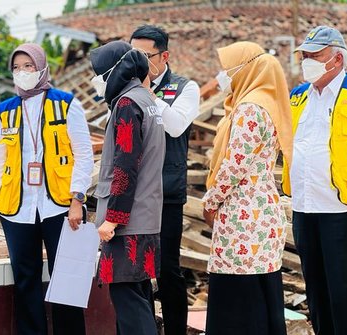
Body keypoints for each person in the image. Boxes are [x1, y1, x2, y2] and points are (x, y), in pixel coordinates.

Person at [0, 43, 93, 335]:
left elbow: (83, 155)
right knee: (25, 279)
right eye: (16, 68)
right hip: (17, 209)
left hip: (59, 206)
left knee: (65, 279)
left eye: (28, 66)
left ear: (41, 67)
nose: (22, 73)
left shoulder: (66, 104)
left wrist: (77, 200)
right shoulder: (4, 111)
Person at [281, 26, 347, 334]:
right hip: (304, 207)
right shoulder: (298, 97)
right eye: (304, 56)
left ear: (337, 59)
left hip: (345, 210)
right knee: (317, 289)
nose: (306, 62)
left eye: (314, 56)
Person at [202, 41, 293, 335]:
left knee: (240, 299)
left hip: (244, 215)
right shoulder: (267, 102)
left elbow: (235, 164)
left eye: (230, 69)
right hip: (260, 211)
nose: (226, 75)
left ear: (248, 69)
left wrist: (210, 201)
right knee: (259, 293)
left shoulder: (250, 108)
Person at [90, 40, 165, 335]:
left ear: (113, 71)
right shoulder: (147, 100)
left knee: (129, 305)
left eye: (98, 73)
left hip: (127, 224)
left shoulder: (126, 104)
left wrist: (112, 218)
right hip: (146, 217)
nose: (96, 80)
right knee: (139, 297)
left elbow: (125, 165)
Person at [130, 24, 200, 335]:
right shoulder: (125, 87)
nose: (138, 62)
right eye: (133, 55)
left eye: (145, 56)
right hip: (133, 192)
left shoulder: (185, 88)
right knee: (135, 270)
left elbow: (174, 126)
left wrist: (145, 91)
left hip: (167, 192)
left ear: (164, 56)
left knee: (168, 269)